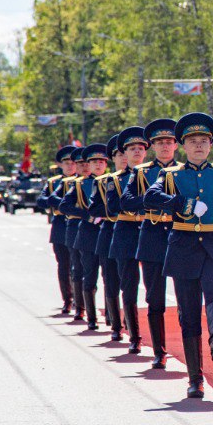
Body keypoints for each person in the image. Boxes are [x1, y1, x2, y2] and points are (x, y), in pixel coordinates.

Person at [145, 112, 213, 399]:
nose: (199, 145)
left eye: (204, 141)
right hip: (182, 247)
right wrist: (183, 202)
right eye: (193, 141)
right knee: (188, 313)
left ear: (210, 145)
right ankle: (195, 379)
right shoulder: (170, 175)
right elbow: (150, 198)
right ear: (183, 146)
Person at [121, 119, 177, 369]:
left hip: (180, 235)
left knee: (187, 299)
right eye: (159, 142)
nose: (164, 146)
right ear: (152, 146)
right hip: (152, 236)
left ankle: (188, 346)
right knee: (155, 300)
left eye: (169, 142)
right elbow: (127, 202)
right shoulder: (141, 172)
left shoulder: (187, 170)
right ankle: (159, 350)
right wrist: (155, 201)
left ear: (176, 145)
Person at [61, 143, 108, 332]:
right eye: (93, 161)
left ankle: (112, 317)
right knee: (89, 276)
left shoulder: (111, 181)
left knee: (110, 277)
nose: (97, 165)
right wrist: (86, 215)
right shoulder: (79, 184)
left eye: (101, 161)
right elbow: (65, 205)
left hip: (106, 233)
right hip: (88, 235)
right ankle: (91, 316)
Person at [110, 126, 149, 354]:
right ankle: (134, 335)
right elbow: (113, 207)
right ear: (124, 153)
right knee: (129, 287)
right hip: (126, 232)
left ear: (146, 152)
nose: (136, 152)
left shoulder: (156, 174)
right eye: (131, 148)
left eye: (140, 148)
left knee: (155, 286)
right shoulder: (115, 180)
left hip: (150, 229)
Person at [37, 146, 78, 313]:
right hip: (60, 226)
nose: (69, 166)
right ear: (60, 165)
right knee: (64, 266)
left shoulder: (82, 180)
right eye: (66, 163)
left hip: (77, 225)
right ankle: (67, 299)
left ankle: (81, 299)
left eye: (72, 163)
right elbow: (41, 200)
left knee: (80, 266)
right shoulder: (54, 183)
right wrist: (59, 203)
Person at [94, 135, 125, 342]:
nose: (124, 158)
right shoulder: (105, 182)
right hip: (110, 232)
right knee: (112, 280)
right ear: (113, 158)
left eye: (126, 153)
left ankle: (131, 325)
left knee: (130, 284)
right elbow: (94, 207)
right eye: (119, 154)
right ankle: (116, 323)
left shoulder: (145, 176)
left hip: (136, 232)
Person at [61, 144, 88, 324]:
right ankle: (79, 306)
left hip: (96, 232)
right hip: (75, 229)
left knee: (96, 272)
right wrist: (85, 213)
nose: (84, 166)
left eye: (87, 163)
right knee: (77, 268)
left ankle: (106, 312)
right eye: (80, 164)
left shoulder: (104, 181)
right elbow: (62, 204)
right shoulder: (74, 185)